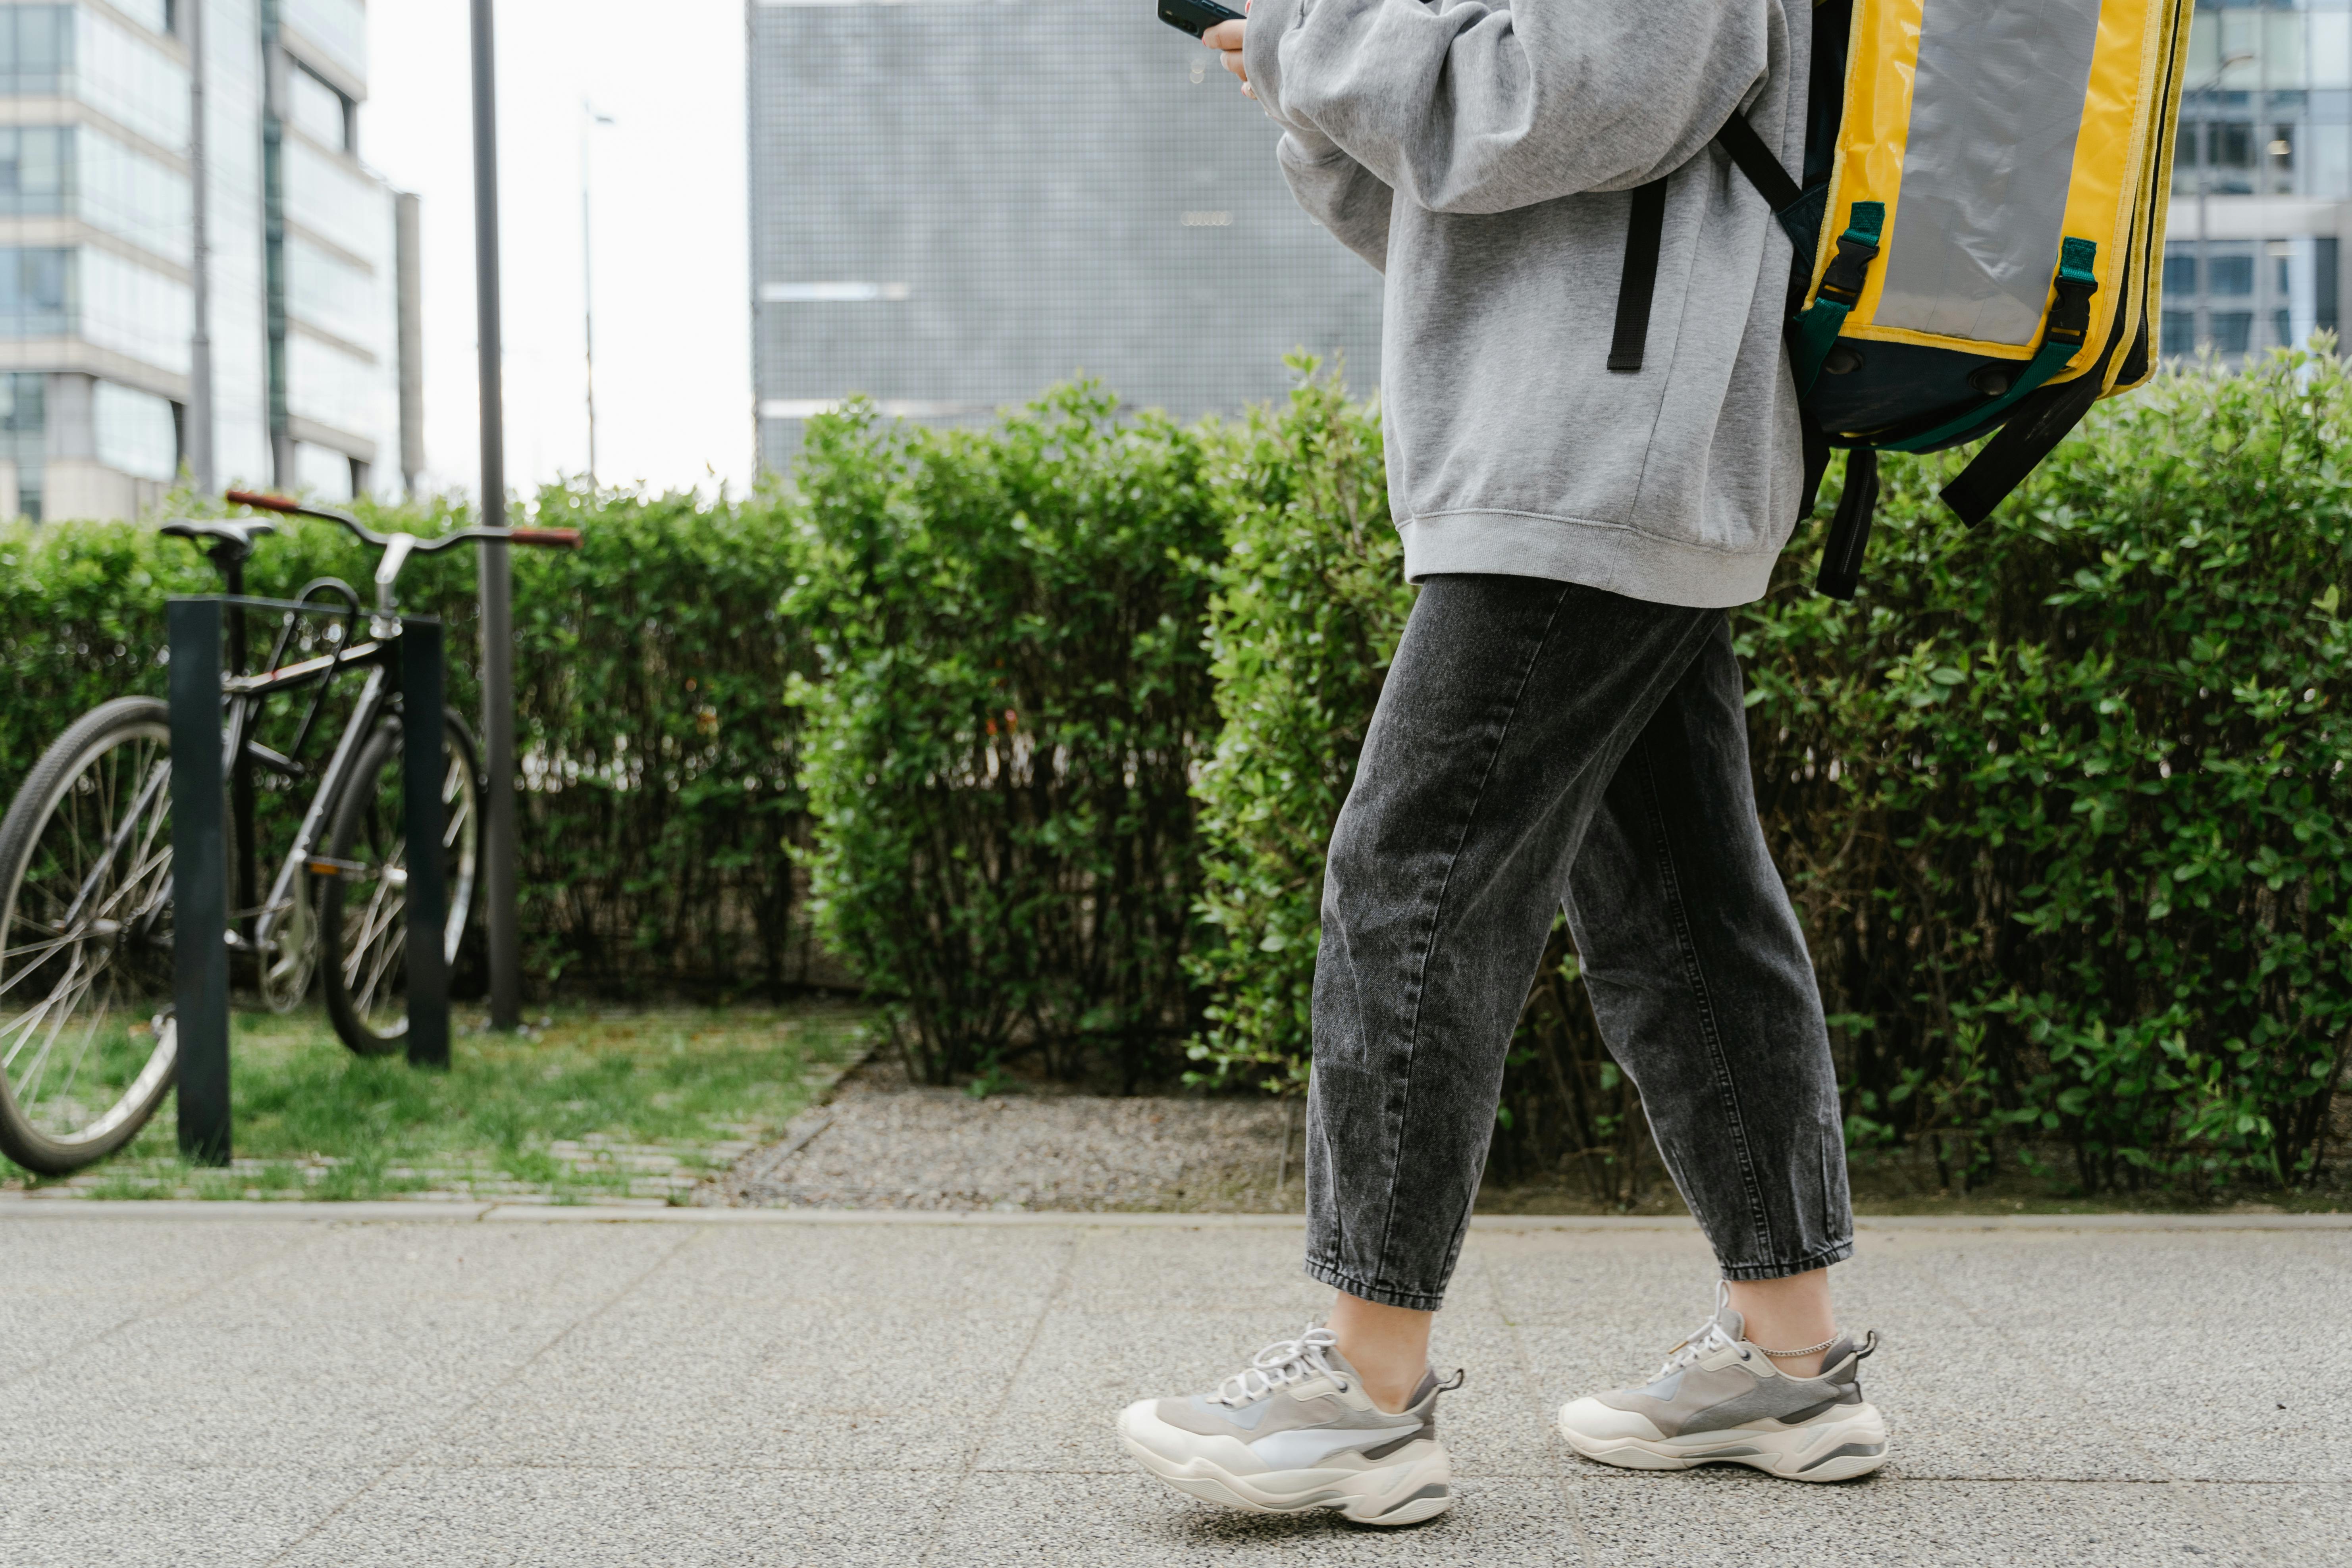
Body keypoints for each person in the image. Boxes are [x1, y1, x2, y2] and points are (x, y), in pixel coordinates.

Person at [1114, 0, 1890, 1525]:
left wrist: (1316, 28)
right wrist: (1288, 64)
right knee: (1679, 902)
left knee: (1414, 880)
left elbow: (1535, 106)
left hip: (1600, 449)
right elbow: (1445, 211)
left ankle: (1366, 1395)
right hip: (1593, 440)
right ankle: (1790, 1364)